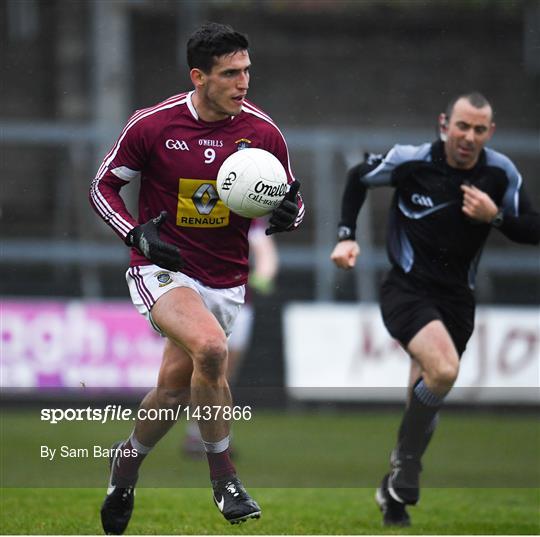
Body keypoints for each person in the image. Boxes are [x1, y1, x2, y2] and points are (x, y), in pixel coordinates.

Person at [89, 22, 303, 535]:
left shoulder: (262, 132)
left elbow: (292, 202)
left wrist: (288, 213)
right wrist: (136, 235)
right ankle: (224, 480)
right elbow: (103, 187)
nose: (243, 82)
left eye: (247, 70)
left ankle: (125, 467)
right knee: (211, 349)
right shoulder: (152, 125)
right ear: (199, 77)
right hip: (164, 270)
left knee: (170, 393)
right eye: (230, 73)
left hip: (227, 281)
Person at [330, 92, 539, 527]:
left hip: (457, 301)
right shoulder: (412, 160)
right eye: (462, 125)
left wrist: (495, 216)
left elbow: (532, 228)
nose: (469, 136)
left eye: (479, 129)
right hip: (406, 289)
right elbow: (358, 176)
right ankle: (406, 460)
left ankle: (393, 492)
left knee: (423, 397)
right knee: (443, 371)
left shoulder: (500, 173)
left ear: (490, 133)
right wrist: (346, 235)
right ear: (445, 123)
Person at [183, 217, 279, 456]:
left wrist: (262, 276)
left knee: (224, 372)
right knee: (196, 369)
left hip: (236, 305)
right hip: (194, 299)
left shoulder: (249, 214)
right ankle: (198, 433)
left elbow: (267, 254)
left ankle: (218, 435)